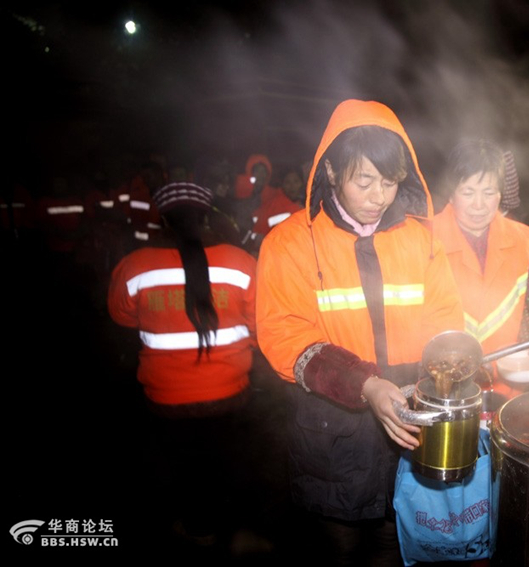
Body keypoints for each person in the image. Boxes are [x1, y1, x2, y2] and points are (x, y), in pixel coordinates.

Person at [256, 99, 464, 565]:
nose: (379, 196)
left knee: (394, 548)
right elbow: (286, 336)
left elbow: (445, 317)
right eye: (364, 180)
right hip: (332, 437)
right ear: (330, 172)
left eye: (390, 182)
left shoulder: (422, 238)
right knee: (339, 550)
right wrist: (365, 384)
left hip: (407, 435)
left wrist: (460, 363)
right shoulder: (290, 242)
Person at [108, 181, 258, 542]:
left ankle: (192, 529)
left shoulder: (134, 267)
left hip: (165, 399)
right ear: (207, 216)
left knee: (181, 469)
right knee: (225, 465)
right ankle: (228, 531)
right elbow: (260, 324)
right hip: (230, 394)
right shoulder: (241, 263)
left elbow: (122, 317)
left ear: (163, 219)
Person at [432, 139, 529, 400]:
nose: (479, 205)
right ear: (451, 192)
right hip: (446, 390)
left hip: (507, 389)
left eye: (489, 192)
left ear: (500, 194)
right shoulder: (426, 239)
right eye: (468, 192)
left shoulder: (521, 238)